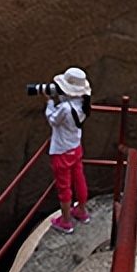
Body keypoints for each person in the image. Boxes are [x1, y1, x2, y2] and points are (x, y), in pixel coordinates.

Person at [44, 66, 92, 234]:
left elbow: (53, 120)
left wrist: (49, 102)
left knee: (64, 186)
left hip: (62, 150)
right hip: (75, 147)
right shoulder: (83, 104)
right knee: (79, 178)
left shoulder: (64, 109)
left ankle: (65, 221)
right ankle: (82, 211)